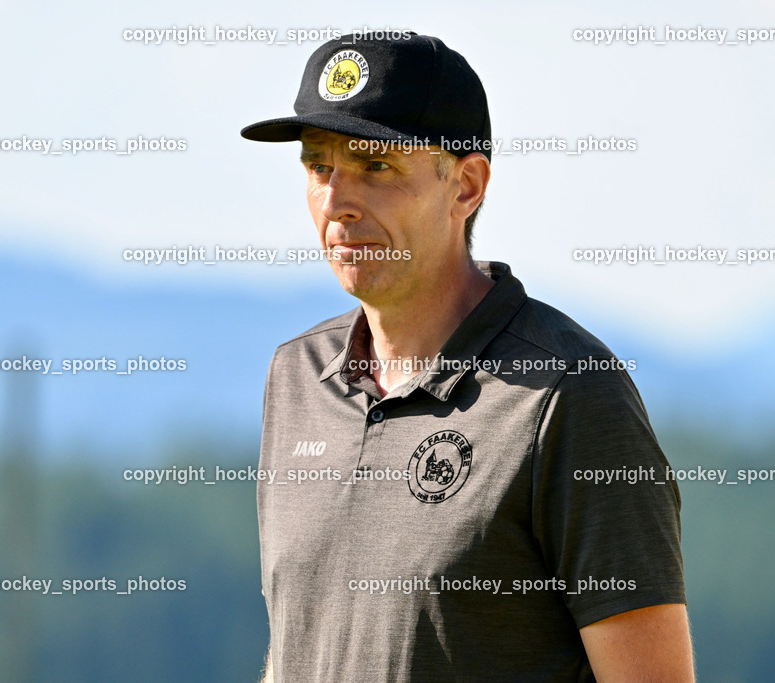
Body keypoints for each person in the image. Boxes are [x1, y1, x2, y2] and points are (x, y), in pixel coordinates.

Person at [242, 31, 694, 682]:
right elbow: (297, 645)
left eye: (376, 166)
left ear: (466, 186)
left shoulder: (566, 395)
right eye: (318, 167)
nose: (336, 202)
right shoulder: (296, 377)